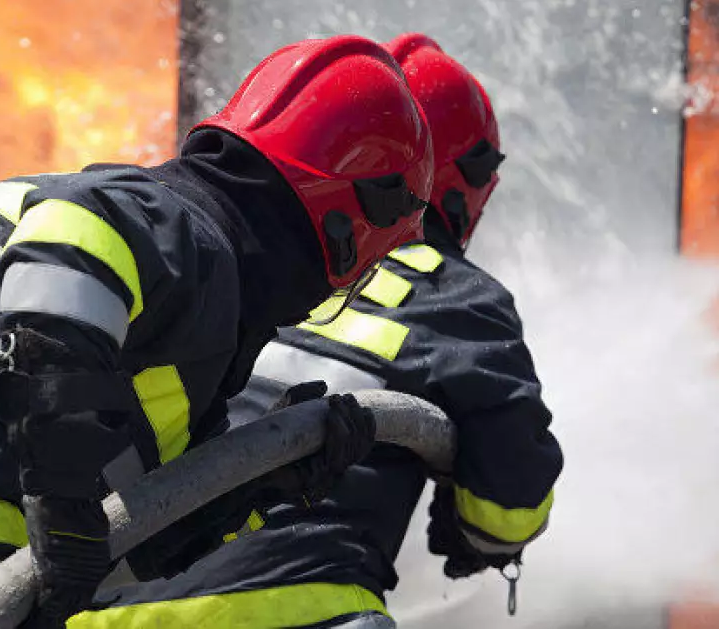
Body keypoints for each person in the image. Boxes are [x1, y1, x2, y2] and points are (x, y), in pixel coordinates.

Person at [0, 35, 435, 628]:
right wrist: (62, 496)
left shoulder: (165, 310)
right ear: (350, 225)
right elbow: (73, 244)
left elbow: (115, 552)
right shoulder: (180, 229)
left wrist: (261, 484)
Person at [73, 34, 564, 629]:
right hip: (293, 613)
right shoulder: (454, 296)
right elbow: (506, 510)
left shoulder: (223, 263)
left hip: (100, 609)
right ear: (462, 180)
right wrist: (471, 523)